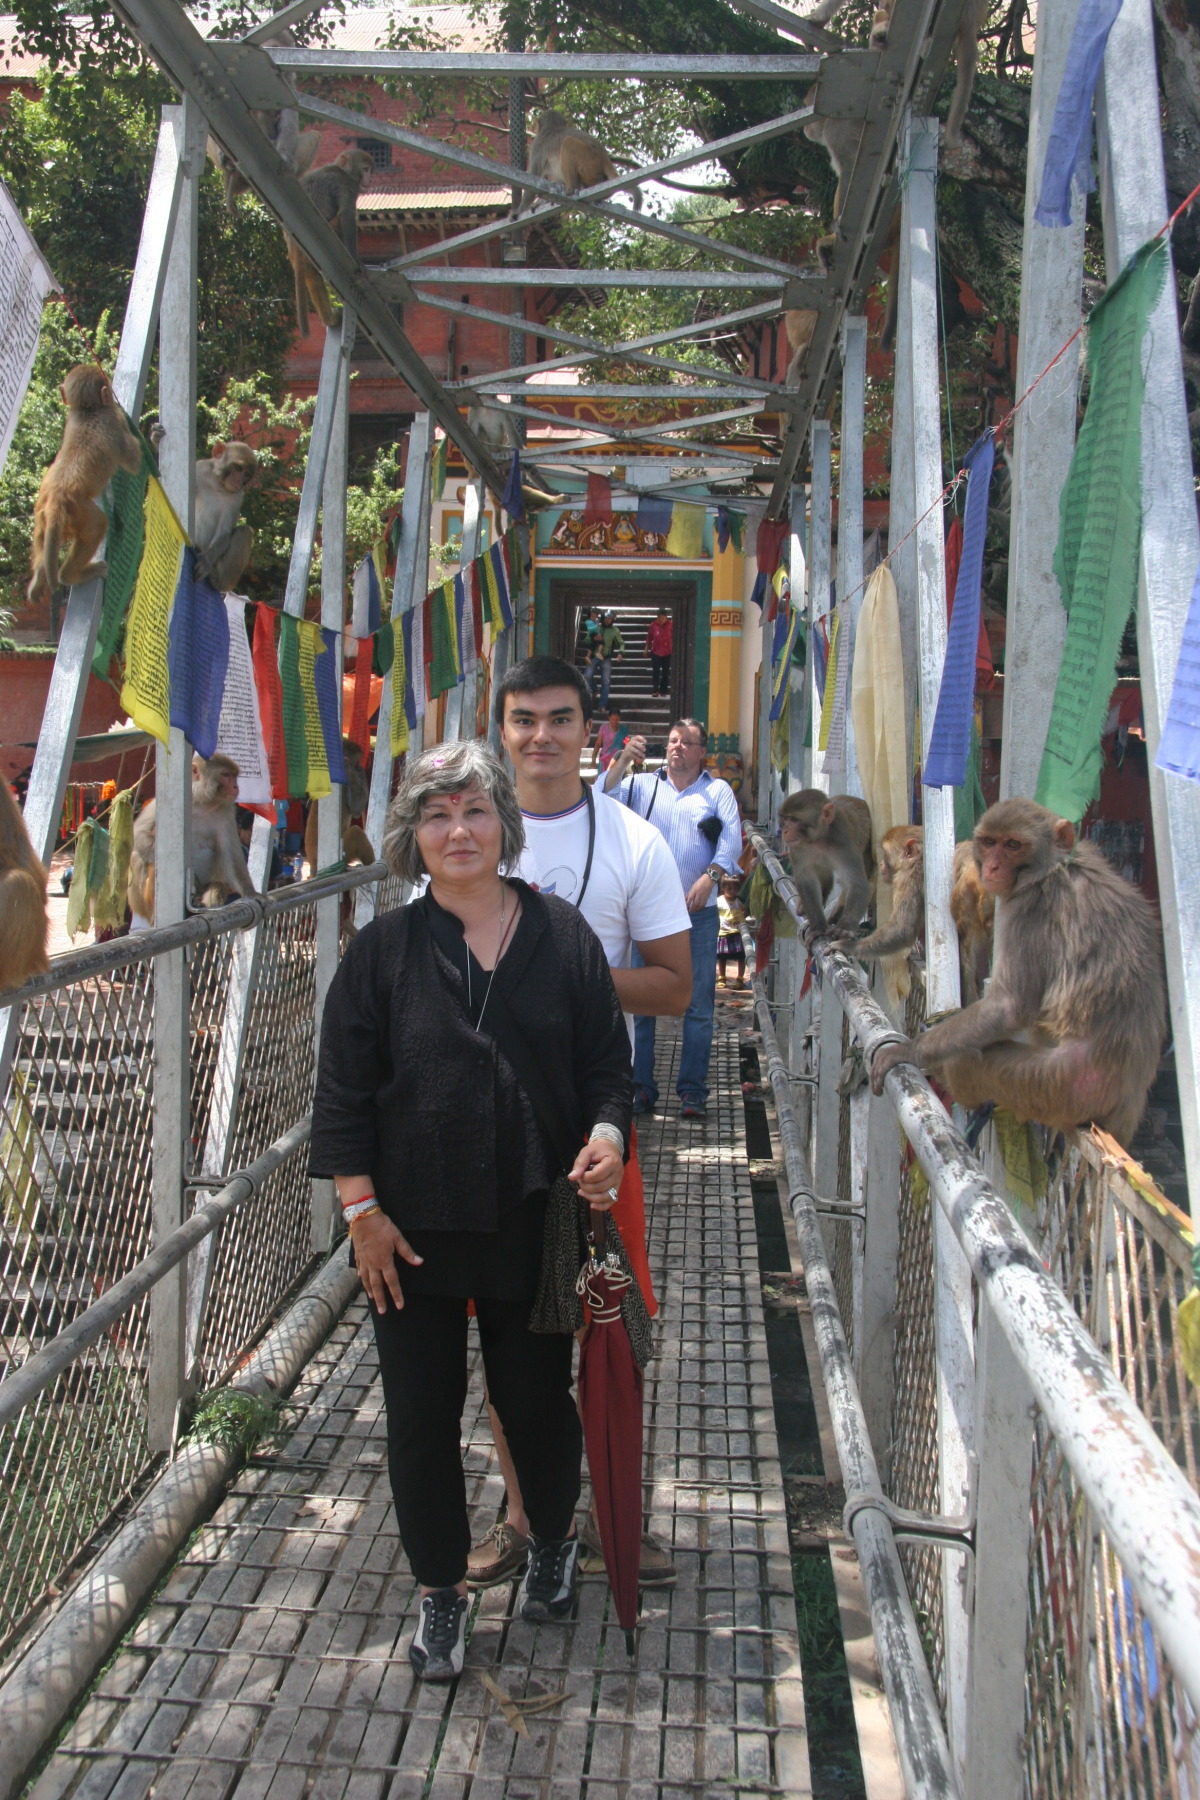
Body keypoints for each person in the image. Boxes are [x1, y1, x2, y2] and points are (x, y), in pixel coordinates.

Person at [310, 741, 632, 1682]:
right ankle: (441, 1591)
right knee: (419, 1412)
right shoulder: (382, 953)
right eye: (439, 815)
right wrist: (360, 1210)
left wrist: (609, 1135)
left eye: (476, 811)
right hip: (406, 1230)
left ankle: (554, 1538)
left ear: (505, 826)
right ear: (415, 836)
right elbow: (343, 1093)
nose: (459, 831)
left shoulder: (564, 936)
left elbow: (609, 1069)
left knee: (533, 1399)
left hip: (533, 1219)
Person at [465, 654, 692, 1592]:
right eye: (524, 721)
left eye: (561, 720)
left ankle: (609, 1515)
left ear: (589, 731)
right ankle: (526, 1515)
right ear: (502, 731)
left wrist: (568, 985)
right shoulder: (465, 835)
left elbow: (677, 985)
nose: (542, 738)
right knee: (506, 1335)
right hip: (483, 1139)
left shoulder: (635, 843)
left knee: (611, 1326)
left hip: (597, 1132)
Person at [603, 719, 743, 1119]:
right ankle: (640, 1087)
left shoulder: (716, 792)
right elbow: (601, 795)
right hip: (645, 913)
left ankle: (692, 1091)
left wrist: (711, 877)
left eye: (688, 743)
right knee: (641, 1003)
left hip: (696, 915)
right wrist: (621, 761)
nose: (678, 748)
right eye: (673, 741)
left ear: (702, 752)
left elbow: (731, 840)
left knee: (698, 1006)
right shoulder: (642, 786)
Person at [716, 876, 747, 989]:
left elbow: (746, 911)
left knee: (740, 956)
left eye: (735, 889)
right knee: (722, 957)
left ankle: (740, 979)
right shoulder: (719, 901)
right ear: (723, 888)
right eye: (729, 888)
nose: (732, 891)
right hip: (723, 932)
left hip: (737, 933)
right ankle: (722, 977)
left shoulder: (739, 902)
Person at [592, 610, 625, 710]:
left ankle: (602, 705)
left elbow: (621, 643)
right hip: (594, 656)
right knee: (586, 675)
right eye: (606, 618)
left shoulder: (615, 631)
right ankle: (594, 689)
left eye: (610, 619)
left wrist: (620, 652)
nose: (607, 621)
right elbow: (587, 639)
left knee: (605, 682)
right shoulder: (597, 627)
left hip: (606, 658)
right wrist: (593, 638)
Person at [645, 606, 672, 697]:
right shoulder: (653, 625)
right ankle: (655, 690)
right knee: (655, 672)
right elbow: (649, 638)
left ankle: (663, 691)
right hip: (655, 652)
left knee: (665, 672)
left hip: (667, 652)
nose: (661, 620)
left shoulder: (670, 625)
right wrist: (646, 650)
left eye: (663, 618)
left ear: (666, 617)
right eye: (659, 618)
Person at [592, 705, 628, 773]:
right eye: (612, 720)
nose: (614, 722)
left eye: (617, 720)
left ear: (619, 719)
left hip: (617, 762)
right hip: (604, 761)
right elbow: (598, 744)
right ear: (609, 718)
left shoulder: (623, 730)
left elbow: (626, 744)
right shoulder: (603, 729)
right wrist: (593, 758)